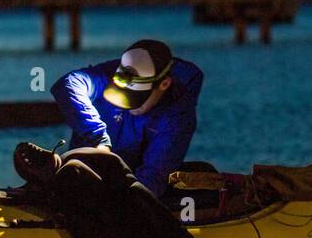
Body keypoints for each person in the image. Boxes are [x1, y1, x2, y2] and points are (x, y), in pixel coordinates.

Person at [51, 39, 202, 197]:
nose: (127, 107)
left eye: (136, 98)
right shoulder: (113, 72)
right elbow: (68, 84)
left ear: (164, 84)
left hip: (124, 193)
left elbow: (152, 179)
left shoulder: (177, 116)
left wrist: (112, 205)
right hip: (76, 179)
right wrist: (98, 139)